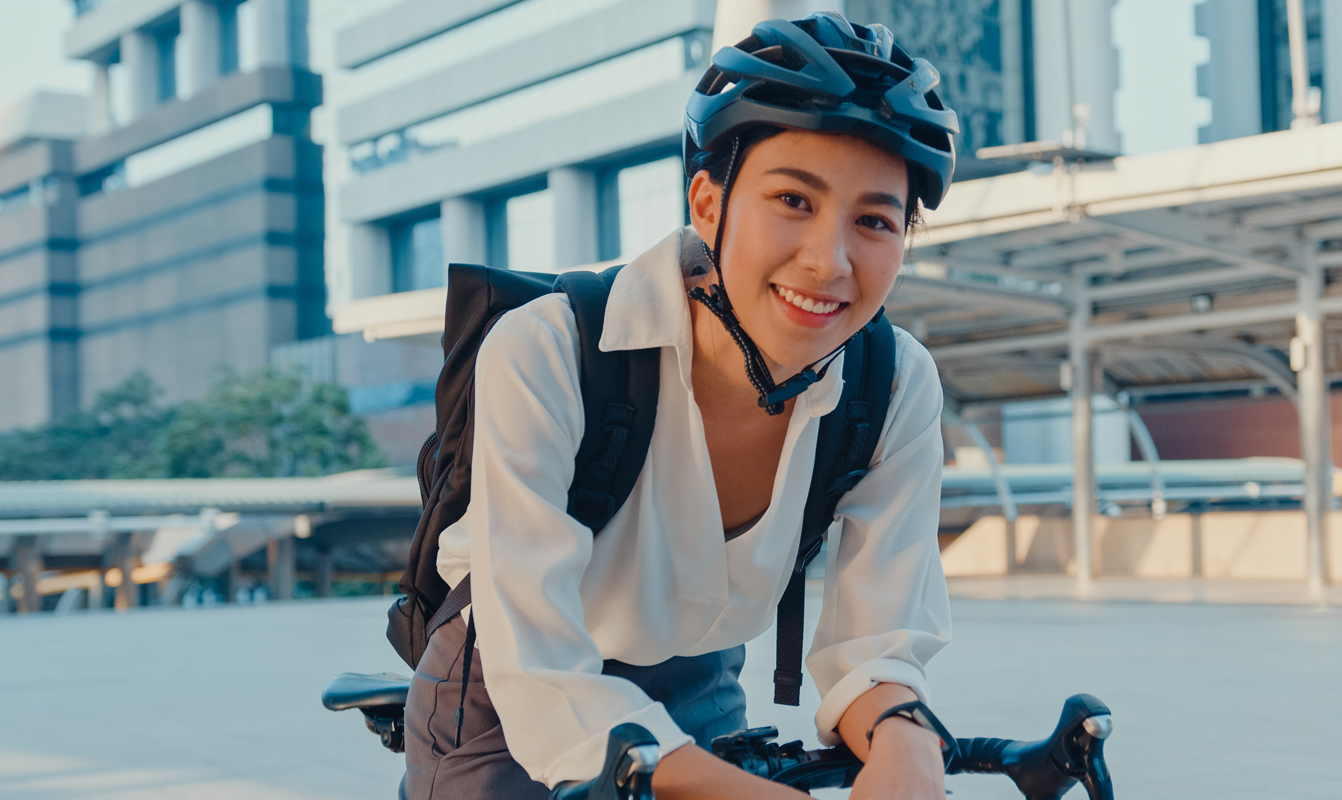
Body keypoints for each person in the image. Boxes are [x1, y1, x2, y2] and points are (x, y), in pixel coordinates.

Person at [400, 12, 962, 800]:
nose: (829, 261)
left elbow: (877, 639)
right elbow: (538, 667)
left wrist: (911, 750)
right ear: (708, 202)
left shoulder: (892, 384)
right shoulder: (550, 351)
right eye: (793, 200)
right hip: (505, 686)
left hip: (698, 677)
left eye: (874, 220)